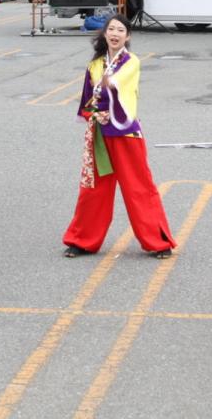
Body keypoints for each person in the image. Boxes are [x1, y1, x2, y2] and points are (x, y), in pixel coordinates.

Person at [62, 14, 176, 259]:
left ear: (128, 36)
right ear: (105, 34)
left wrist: (109, 82)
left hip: (125, 132)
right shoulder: (94, 65)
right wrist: (90, 115)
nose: (115, 34)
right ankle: (82, 240)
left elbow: (120, 81)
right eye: (111, 29)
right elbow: (86, 97)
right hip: (100, 132)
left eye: (120, 30)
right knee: (94, 187)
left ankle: (158, 241)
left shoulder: (131, 61)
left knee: (138, 186)